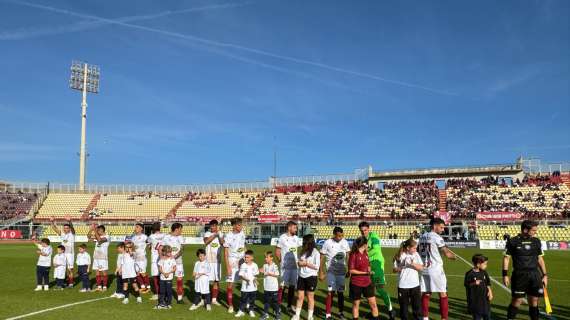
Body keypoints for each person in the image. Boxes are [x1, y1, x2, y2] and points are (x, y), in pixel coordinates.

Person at [503, 220, 548, 320]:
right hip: (519, 275)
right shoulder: (513, 241)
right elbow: (506, 258)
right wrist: (505, 275)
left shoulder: (536, 241)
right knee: (517, 300)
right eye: (533, 230)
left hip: (534, 274)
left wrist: (545, 275)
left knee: (534, 299)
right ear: (525, 230)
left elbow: (540, 258)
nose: (535, 232)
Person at [418, 217, 456, 320]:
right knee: (443, 293)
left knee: (426, 293)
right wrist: (454, 256)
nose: (443, 229)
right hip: (435, 269)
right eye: (441, 227)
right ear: (435, 226)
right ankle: (444, 318)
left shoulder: (422, 236)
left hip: (424, 268)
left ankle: (425, 317)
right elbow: (447, 254)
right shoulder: (437, 237)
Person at [358, 221, 395, 320]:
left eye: (365, 230)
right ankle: (374, 312)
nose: (363, 232)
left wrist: (363, 253)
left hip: (377, 264)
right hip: (368, 265)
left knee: (380, 289)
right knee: (369, 290)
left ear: (368, 229)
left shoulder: (373, 236)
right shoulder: (362, 239)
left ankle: (391, 310)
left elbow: (376, 249)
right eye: (362, 231)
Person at [319, 226, 350, 320]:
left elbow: (348, 255)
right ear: (334, 235)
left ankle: (341, 313)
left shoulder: (345, 242)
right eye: (338, 236)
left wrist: (349, 269)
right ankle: (328, 314)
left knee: (340, 293)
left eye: (341, 235)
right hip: (331, 272)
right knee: (330, 292)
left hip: (341, 272)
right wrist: (320, 271)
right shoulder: (327, 242)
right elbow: (322, 257)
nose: (340, 237)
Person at [348, 236, 379, 320]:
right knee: (356, 305)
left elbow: (368, 264)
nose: (368, 245)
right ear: (364, 244)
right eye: (367, 243)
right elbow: (351, 270)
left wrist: (369, 269)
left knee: (373, 304)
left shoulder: (365, 253)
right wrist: (365, 273)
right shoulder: (353, 254)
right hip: (356, 283)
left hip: (367, 282)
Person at [393, 238, 423, 320]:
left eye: (416, 248)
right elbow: (394, 270)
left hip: (415, 285)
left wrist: (413, 264)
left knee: (417, 308)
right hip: (403, 286)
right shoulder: (399, 255)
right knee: (404, 309)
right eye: (414, 248)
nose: (415, 249)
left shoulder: (416, 254)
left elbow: (421, 268)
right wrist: (402, 266)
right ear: (408, 248)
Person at [291, 234, 320, 320]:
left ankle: (310, 316)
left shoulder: (316, 252)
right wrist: (299, 263)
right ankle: (297, 315)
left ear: (309, 242)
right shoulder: (302, 251)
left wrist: (307, 264)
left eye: (305, 242)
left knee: (310, 297)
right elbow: (299, 262)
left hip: (311, 277)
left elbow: (317, 267)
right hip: (301, 276)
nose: (303, 243)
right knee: (300, 297)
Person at [275, 220, 300, 313]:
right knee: (282, 286)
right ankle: (278, 306)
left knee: (292, 287)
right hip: (285, 267)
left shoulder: (296, 238)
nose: (296, 229)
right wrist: (281, 262)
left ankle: (289, 306)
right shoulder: (282, 237)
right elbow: (277, 251)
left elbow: (298, 251)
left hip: (294, 267)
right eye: (294, 227)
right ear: (289, 227)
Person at [224, 218, 247, 313]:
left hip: (242, 261)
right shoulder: (228, 236)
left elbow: (244, 246)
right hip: (232, 262)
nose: (241, 227)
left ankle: (246, 302)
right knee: (230, 284)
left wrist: (247, 257)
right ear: (233, 226)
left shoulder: (242, 234)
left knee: (246, 282)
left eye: (241, 225)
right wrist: (228, 267)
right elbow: (225, 253)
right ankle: (230, 305)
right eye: (238, 225)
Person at [465, 254, 493, 320]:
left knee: (487, 316)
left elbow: (488, 283)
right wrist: (474, 283)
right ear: (478, 264)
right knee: (477, 317)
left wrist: (490, 292)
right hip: (475, 302)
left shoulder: (484, 272)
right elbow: (466, 285)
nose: (486, 266)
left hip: (485, 300)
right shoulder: (469, 274)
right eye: (485, 264)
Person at [50, 217, 75, 287]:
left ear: (69, 229)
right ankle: (63, 281)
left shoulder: (72, 234)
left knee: (70, 269)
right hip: (62, 254)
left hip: (70, 254)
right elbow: (55, 229)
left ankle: (71, 283)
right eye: (64, 228)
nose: (65, 229)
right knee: (62, 268)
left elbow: (72, 228)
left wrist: (70, 221)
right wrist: (52, 222)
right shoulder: (62, 234)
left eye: (67, 228)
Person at [163, 223, 185, 304]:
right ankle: (167, 296)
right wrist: (166, 257)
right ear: (176, 229)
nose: (181, 231)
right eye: (181, 229)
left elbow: (182, 249)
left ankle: (179, 298)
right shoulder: (166, 237)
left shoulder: (181, 237)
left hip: (179, 262)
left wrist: (175, 256)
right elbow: (162, 248)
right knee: (168, 279)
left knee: (179, 279)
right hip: (168, 263)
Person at [203, 219, 224, 306]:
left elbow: (222, 243)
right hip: (208, 261)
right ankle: (204, 298)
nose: (212, 227)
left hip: (217, 262)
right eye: (211, 226)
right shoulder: (207, 234)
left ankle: (214, 299)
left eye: (214, 226)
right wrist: (214, 235)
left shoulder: (221, 234)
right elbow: (206, 242)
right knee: (206, 280)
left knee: (216, 281)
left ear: (216, 226)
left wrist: (219, 236)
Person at [236, 249, 259, 318]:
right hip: (245, 287)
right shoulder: (243, 265)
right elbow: (240, 275)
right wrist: (246, 279)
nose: (246, 258)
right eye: (245, 257)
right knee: (243, 299)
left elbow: (255, 275)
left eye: (247, 257)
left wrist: (255, 280)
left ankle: (251, 310)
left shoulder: (255, 265)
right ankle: (241, 310)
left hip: (253, 287)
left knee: (252, 300)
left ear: (252, 257)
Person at [260, 251, 280, 320]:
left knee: (275, 302)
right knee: (266, 302)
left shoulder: (275, 266)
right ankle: (265, 314)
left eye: (267, 257)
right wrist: (259, 270)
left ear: (271, 258)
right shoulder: (265, 265)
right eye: (265, 257)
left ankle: (277, 314)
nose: (265, 259)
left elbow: (277, 274)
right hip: (266, 287)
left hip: (273, 288)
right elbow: (261, 271)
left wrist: (267, 273)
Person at [155, 245, 176, 310]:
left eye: (170, 252)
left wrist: (168, 273)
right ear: (165, 252)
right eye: (169, 252)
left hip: (169, 278)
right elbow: (160, 268)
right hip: (162, 278)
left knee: (169, 291)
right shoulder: (162, 259)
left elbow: (174, 268)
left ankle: (169, 303)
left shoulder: (172, 259)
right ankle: (161, 303)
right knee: (162, 291)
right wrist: (164, 273)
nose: (170, 253)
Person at [89, 224, 109, 291]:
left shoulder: (107, 236)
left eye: (98, 231)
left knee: (104, 272)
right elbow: (88, 237)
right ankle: (99, 286)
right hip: (96, 257)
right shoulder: (97, 236)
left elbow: (100, 240)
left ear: (102, 230)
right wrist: (91, 229)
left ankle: (105, 286)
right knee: (97, 272)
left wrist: (94, 230)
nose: (97, 232)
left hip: (103, 258)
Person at [148, 222, 165, 301]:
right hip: (163, 258)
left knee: (155, 277)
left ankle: (158, 294)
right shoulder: (164, 235)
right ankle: (164, 293)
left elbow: (149, 246)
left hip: (155, 258)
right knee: (162, 276)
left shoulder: (151, 236)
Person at [131, 223, 150, 293]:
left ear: (141, 229)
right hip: (135, 258)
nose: (135, 228)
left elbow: (149, 244)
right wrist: (132, 252)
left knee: (143, 273)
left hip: (142, 258)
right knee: (137, 273)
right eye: (135, 227)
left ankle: (148, 287)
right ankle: (142, 286)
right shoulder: (133, 237)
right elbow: (132, 247)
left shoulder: (144, 237)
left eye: (137, 227)